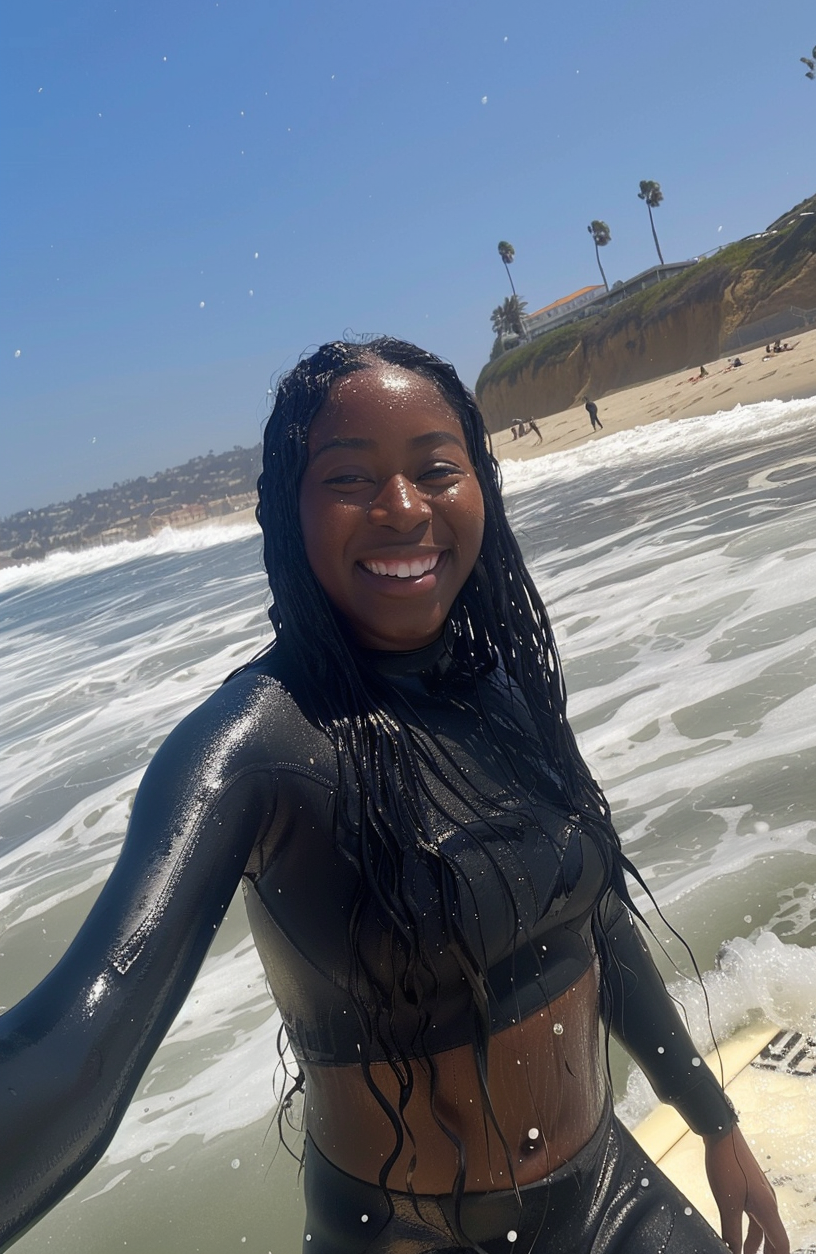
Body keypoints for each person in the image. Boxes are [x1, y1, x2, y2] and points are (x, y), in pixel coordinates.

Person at [0, 338, 788, 1254]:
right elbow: (76, 1050)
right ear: (286, 512)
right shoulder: (254, 748)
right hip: (407, 1237)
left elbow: (594, 920)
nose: (404, 509)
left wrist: (714, 1122)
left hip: (605, 1192)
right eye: (349, 479)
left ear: (479, 486)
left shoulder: (505, 687)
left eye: (436, 470)